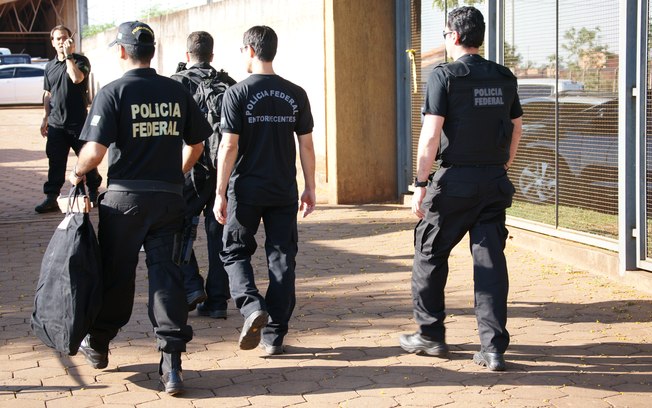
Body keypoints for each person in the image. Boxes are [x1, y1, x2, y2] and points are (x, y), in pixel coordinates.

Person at [68, 21, 213, 395]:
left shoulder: (113, 92)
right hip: (168, 200)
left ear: (121, 51)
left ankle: (99, 343)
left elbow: (94, 152)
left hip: (124, 202)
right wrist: (174, 175)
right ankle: (172, 365)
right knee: (167, 277)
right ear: (153, 52)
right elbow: (197, 145)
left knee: (116, 275)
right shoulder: (176, 91)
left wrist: (77, 171)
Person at [399, 6, 523, 372]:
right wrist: (504, 164)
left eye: (444, 34)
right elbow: (517, 127)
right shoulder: (504, 76)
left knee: (428, 252)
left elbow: (430, 136)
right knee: (490, 263)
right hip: (494, 183)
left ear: (453, 36)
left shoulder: (445, 76)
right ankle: (493, 349)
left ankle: (430, 335)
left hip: (455, 184)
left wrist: (421, 184)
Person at [213, 25, 316, 356]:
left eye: (242, 50)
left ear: (251, 50)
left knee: (234, 251)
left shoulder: (236, 94)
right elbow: (306, 145)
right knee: (282, 258)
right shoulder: (296, 93)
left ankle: (251, 306)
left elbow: (229, 145)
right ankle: (274, 336)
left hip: (246, 189)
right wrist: (310, 187)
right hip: (283, 190)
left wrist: (219, 191)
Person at [171, 31, 236, 318]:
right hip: (222, 168)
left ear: (188, 56)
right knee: (218, 232)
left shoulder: (175, 84)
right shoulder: (229, 84)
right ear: (212, 55)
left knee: (174, 225)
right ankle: (218, 301)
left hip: (189, 168)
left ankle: (191, 286)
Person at [36, 25, 102, 213]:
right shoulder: (49, 66)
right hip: (56, 124)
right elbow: (48, 94)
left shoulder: (80, 61)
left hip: (78, 123)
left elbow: (76, 78)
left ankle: (94, 191)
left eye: (64, 37)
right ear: (52, 42)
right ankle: (51, 197)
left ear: (70, 40)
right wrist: (45, 118)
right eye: (57, 39)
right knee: (55, 161)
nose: (61, 41)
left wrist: (69, 56)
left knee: (87, 159)